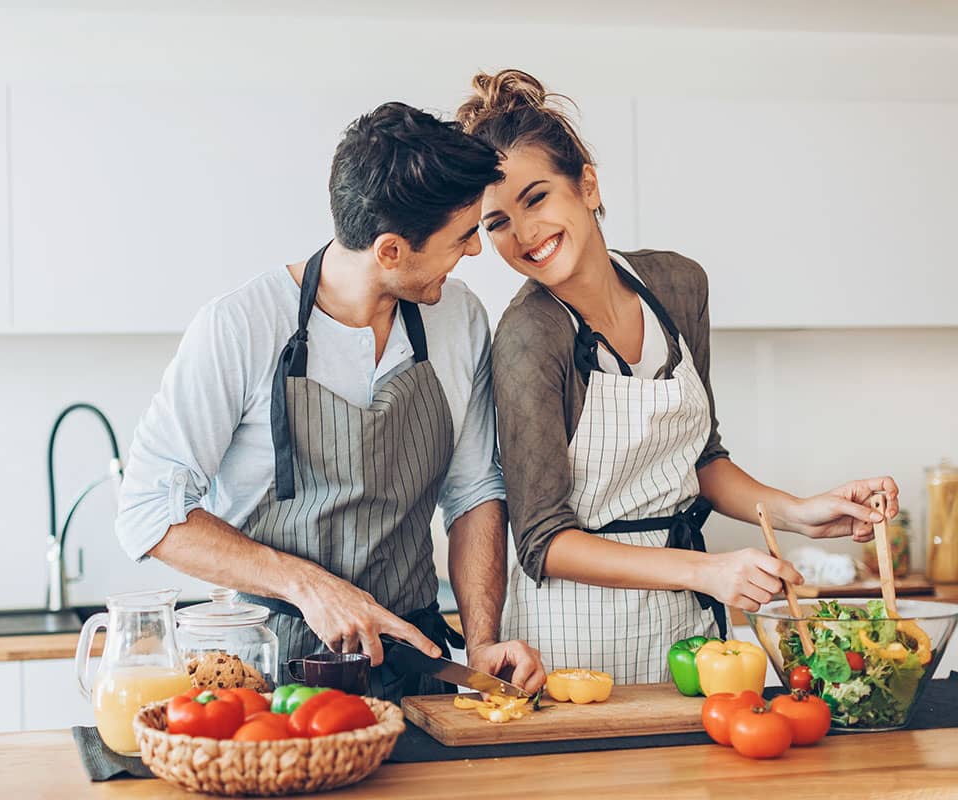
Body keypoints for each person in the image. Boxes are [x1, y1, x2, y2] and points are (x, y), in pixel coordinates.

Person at [455, 69, 900, 683]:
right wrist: (707, 571)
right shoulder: (530, 336)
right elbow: (541, 541)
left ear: (586, 184)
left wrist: (797, 513)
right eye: (496, 222)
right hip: (574, 643)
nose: (523, 235)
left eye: (536, 198)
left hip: (687, 629)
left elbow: (701, 460)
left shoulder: (677, 285)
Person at [116, 101, 546, 701]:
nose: (474, 251)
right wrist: (311, 586)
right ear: (391, 250)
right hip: (267, 671)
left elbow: (474, 491)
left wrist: (479, 643)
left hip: (412, 661)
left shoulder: (459, 317)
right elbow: (149, 510)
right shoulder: (241, 327)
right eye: (461, 237)